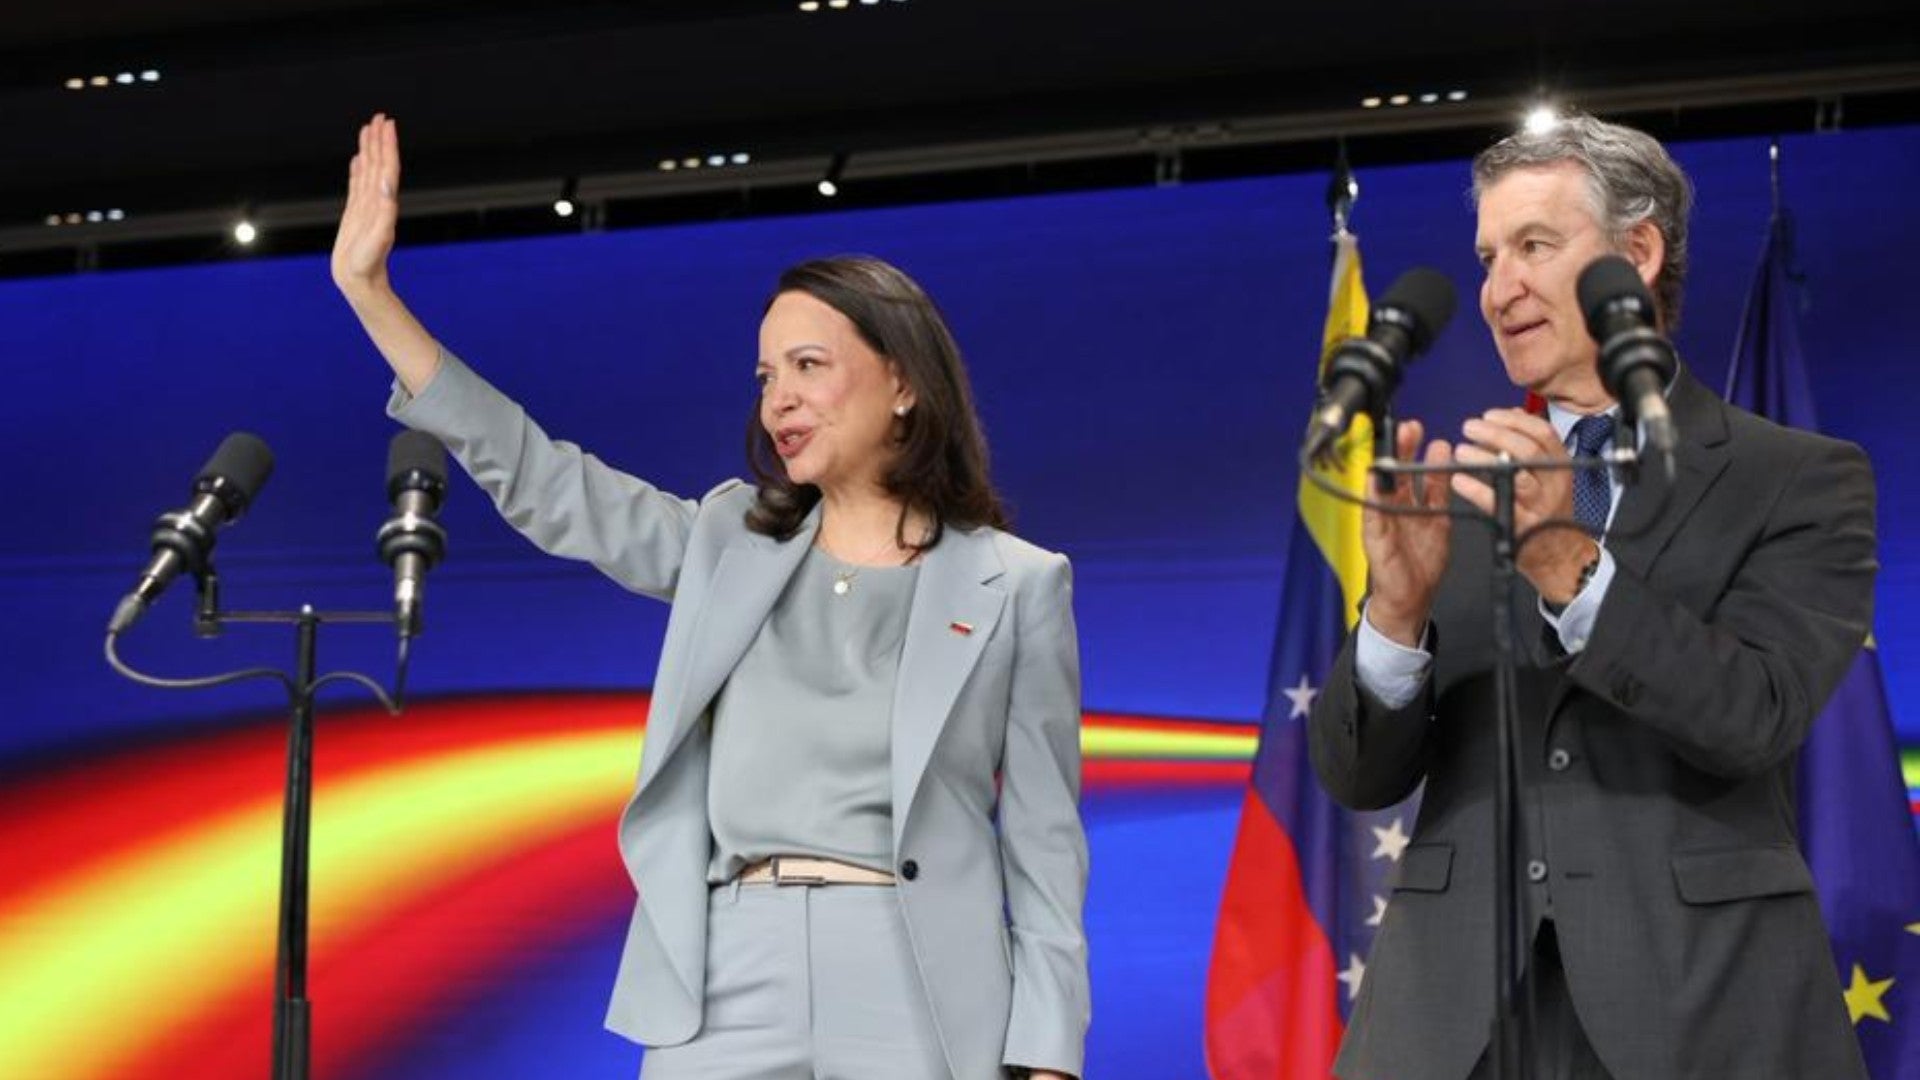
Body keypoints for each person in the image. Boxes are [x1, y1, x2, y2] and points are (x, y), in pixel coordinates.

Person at [330, 113, 1089, 1080]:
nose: (779, 398)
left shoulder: (1018, 584)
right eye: (768, 375)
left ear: (903, 381)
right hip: (730, 972)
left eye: (810, 367)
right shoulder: (728, 540)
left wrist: (1049, 1052)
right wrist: (371, 296)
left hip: (922, 984)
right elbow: (545, 479)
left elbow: (1044, 844)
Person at [1308, 113, 1877, 1080]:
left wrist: (1570, 568)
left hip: (1703, 1013)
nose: (1498, 290)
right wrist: (1394, 621)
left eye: (1534, 246)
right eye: (1489, 256)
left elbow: (1753, 715)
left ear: (1638, 254)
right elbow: (1360, 779)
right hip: (1453, 1026)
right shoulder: (1452, 484)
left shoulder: (1800, 479)